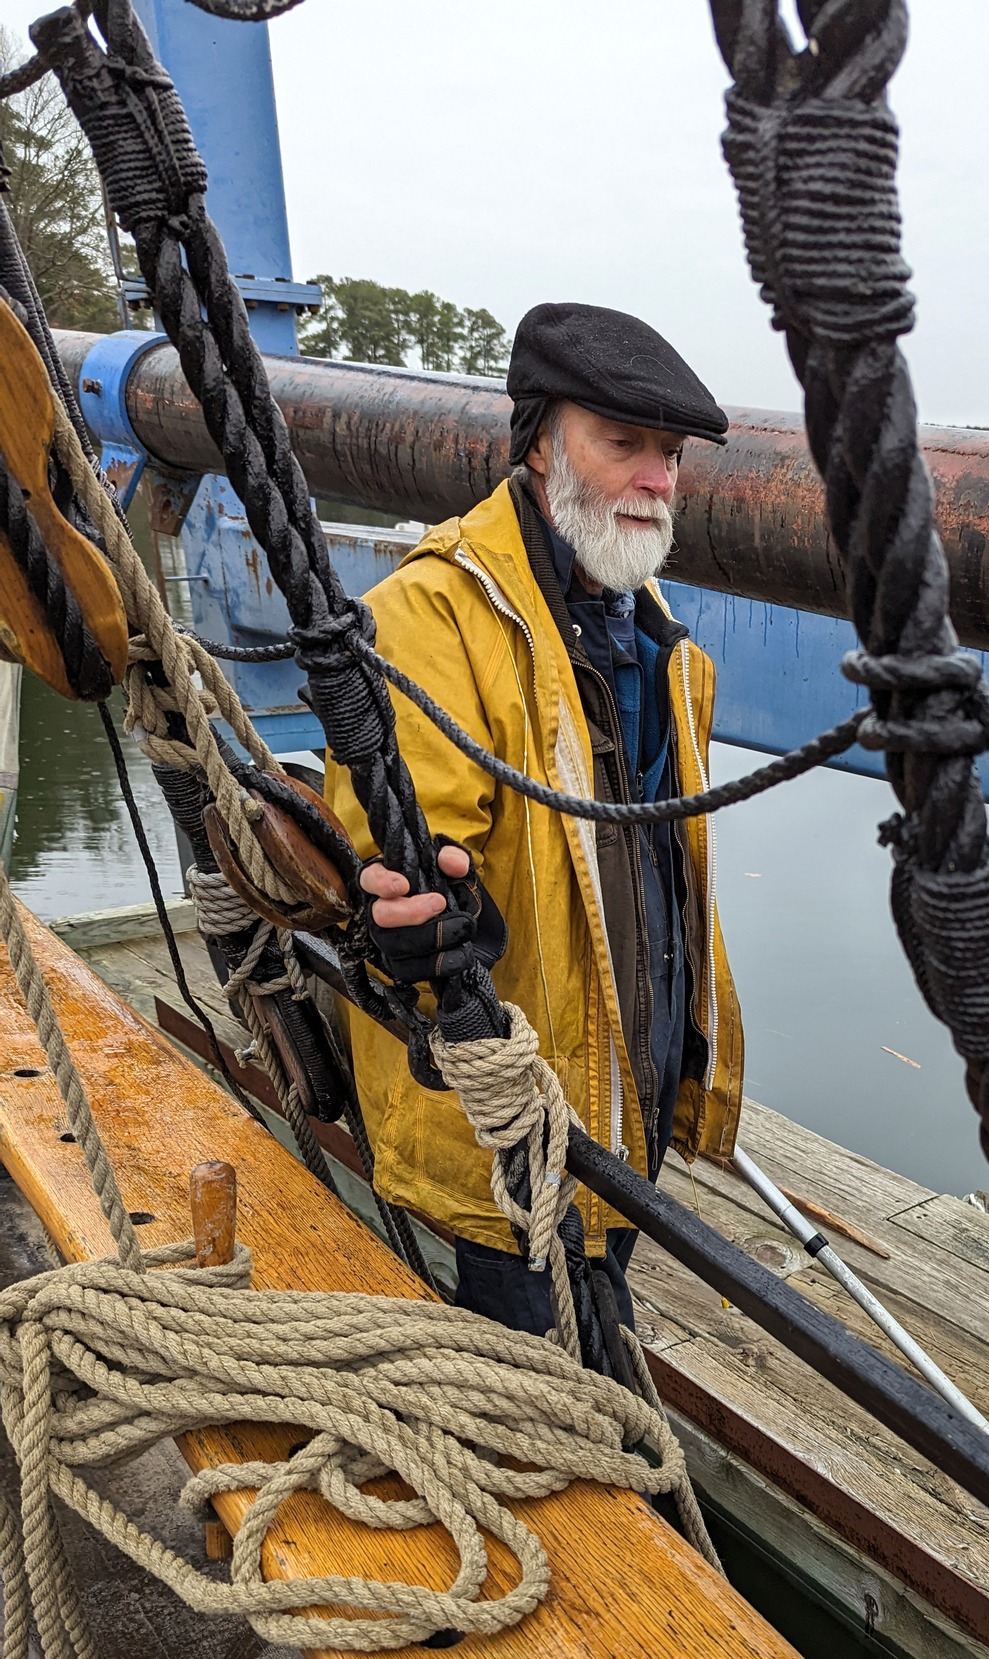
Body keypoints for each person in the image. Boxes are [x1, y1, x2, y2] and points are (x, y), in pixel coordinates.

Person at [326, 302, 744, 1335]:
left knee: (594, 1344)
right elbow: (404, 855)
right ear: (539, 443)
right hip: (501, 1145)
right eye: (622, 444)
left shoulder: (665, 649)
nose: (656, 478)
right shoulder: (433, 615)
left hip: (617, 1121)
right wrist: (409, 906)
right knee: (527, 1392)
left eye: (671, 454)